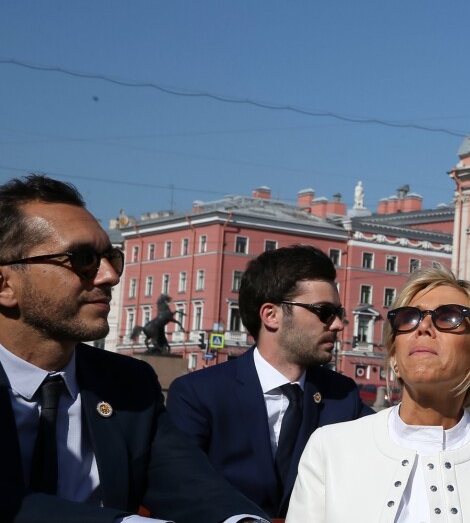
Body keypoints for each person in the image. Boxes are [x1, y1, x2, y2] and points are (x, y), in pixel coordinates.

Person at [0, 174, 269, 523]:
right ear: (5, 285)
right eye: (82, 259)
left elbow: (190, 484)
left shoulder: (128, 383)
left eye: (111, 256)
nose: (110, 275)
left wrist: (243, 521)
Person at [286, 266, 470, 523]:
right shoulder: (330, 449)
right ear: (394, 358)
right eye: (408, 317)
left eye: (448, 316)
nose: (422, 327)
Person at [167, 245, 373, 518]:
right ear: (271, 315)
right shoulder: (199, 394)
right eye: (324, 311)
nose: (338, 324)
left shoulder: (342, 395)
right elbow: (180, 486)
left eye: (339, 313)